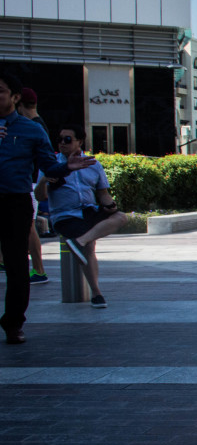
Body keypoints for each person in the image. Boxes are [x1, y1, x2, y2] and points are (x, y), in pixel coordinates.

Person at [0, 72, 97, 343]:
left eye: (0, 91)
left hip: (14, 201)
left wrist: (67, 166)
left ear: (15, 97)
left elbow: (48, 166)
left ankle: (13, 324)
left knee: (17, 264)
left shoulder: (31, 130)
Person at [35, 125, 125, 309]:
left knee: (121, 217)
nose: (62, 143)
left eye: (67, 139)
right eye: (59, 139)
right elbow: (39, 196)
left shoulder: (93, 164)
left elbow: (103, 193)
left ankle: (80, 241)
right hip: (65, 215)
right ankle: (97, 293)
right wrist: (44, 180)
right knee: (89, 248)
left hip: (89, 210)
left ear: (79, 142)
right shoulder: (50, 164)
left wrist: (110, 204)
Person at [16, 88, 50, 285]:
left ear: (19, 104)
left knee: (28, 226)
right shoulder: (38, 125)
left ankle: (39, 270)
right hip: (28, 182)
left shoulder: (33, 127)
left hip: (29, 183)